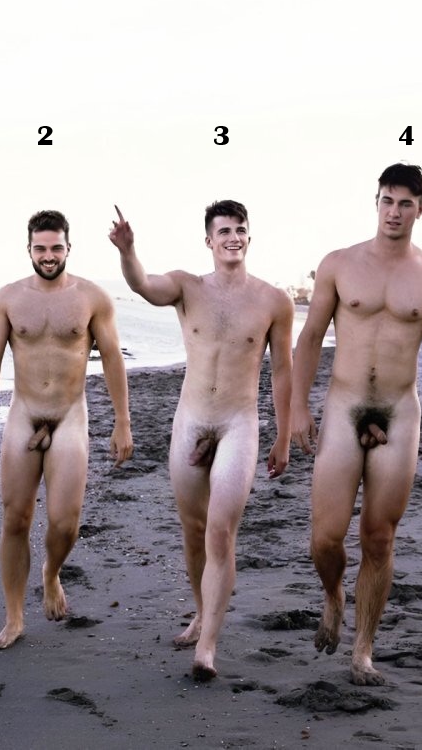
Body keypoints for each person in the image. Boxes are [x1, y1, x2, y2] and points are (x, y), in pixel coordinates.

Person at [110, 201, 293, 681]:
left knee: (219, 531)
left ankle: (207, 646)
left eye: (240, 229)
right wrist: (128, 251)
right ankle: (200, 611)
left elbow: (282, 371)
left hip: (238, 423)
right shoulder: (186, 287)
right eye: (223, 230)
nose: (233, 237)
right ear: (208, 240)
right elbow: (142, 285)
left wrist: (283, 435)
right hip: (191, 420)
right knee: (193, 530)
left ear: (249, 237)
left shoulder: (274, 301)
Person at [291, 163, 422, 686]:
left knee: (379, 538)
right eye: (388, 200)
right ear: (376, 202)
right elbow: (310, 337)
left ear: (420, 210)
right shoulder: (339, 264)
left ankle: (363, 648)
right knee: (325, 538)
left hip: (399, 412)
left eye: (405, 203)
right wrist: (297, 407)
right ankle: (333, 595)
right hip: (343, 408)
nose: (395, 212)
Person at [0, 209, 134, 650]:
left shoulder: (92, 298)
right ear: (28, 249)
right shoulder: (7, 299)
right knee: (16, 518)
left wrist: (122, 421)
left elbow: (113, 359)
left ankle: (51, 572)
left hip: (69, 417)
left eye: (56, 248)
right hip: (24, 414)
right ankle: (14, 618)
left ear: (68, 248)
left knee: (65, 523)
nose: (49, 256)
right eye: (41, 248)